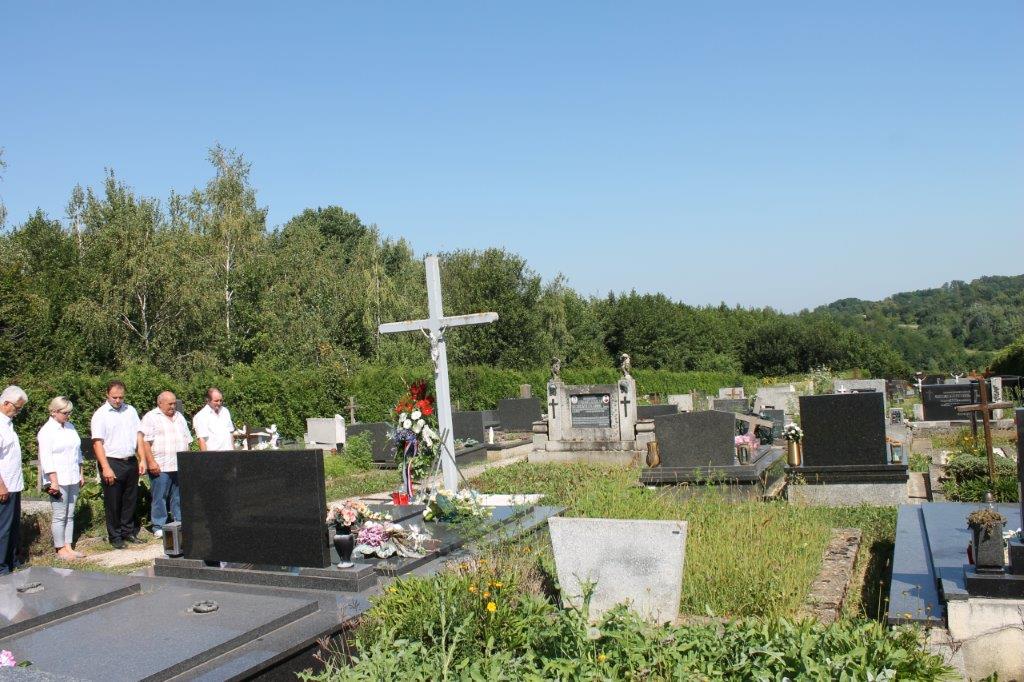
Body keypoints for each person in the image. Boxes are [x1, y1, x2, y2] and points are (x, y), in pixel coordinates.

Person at [90, 380, 143, 549]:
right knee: (113, 501)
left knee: (130, 499)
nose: (118, 400)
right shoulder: (101, 414)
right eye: (114, 397)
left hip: (130, 459)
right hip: (112, 461)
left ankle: (128, 531)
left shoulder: (130, 411)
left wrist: (142, 458)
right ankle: (115, 536)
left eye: (121, 397)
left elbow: (139, 436)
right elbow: (97, 443)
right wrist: (105, 467)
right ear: (107, 395)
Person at [140, 391, 192, 538]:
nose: (173, 406)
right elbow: (145, 442)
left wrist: (187, 461)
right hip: (160, 465)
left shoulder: (179, 417)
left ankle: (179, 522)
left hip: (179, 465)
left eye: (174, 403)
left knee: (179, 497)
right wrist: (151, 462)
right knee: (160, 497)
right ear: (160, 403)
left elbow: (187, 440)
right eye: (170, 404)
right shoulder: (151, 417)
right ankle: (159, 526)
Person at [38, 396, 85, 561]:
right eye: (65, 413)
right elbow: (46, 458)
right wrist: (54, 481)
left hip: (73, 475)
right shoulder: (46, 431)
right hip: (57, 478)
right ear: (54, 412)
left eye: (69, 412)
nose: (68, 416)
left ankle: (68, 545)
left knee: (70, 513)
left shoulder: (71, 427)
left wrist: (81, 473)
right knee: (59, 514)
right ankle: (60, 548)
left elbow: (78, 452)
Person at [0, 386, 28, 575]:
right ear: (5, 403)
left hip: (14, 484)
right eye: (17, 408)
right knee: (3, 528)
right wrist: (1, 485)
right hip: (4, 485)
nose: (18, 412)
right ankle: (1, 566)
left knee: (12, 527)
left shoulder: (8, 424)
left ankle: (11, 560)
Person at [193, 387, 235, 451]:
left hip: (229, 453)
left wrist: (234, 452)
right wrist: (205, 457)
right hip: (214, 455)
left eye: (221, 400)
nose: (219, 403)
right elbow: (201, 440)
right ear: (208, 400)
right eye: (216, 401)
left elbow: (230, 434)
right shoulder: (201, 416)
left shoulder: (225, 411)